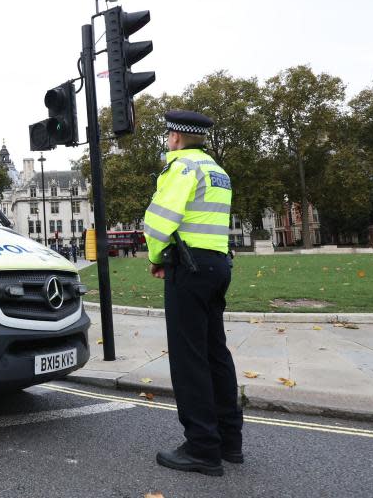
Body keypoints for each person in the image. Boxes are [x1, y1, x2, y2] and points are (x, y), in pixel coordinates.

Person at [143, 110, 241, 477]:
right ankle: (230, 441)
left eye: (169, 135)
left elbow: (158, 221)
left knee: (189, 358)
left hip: (189, 268)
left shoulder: (182, 168)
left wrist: (156, 257)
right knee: (216, 353)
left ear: (176, 138)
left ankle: (202, 447)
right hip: (218, 265)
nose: (168, 140)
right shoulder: (218, 171)